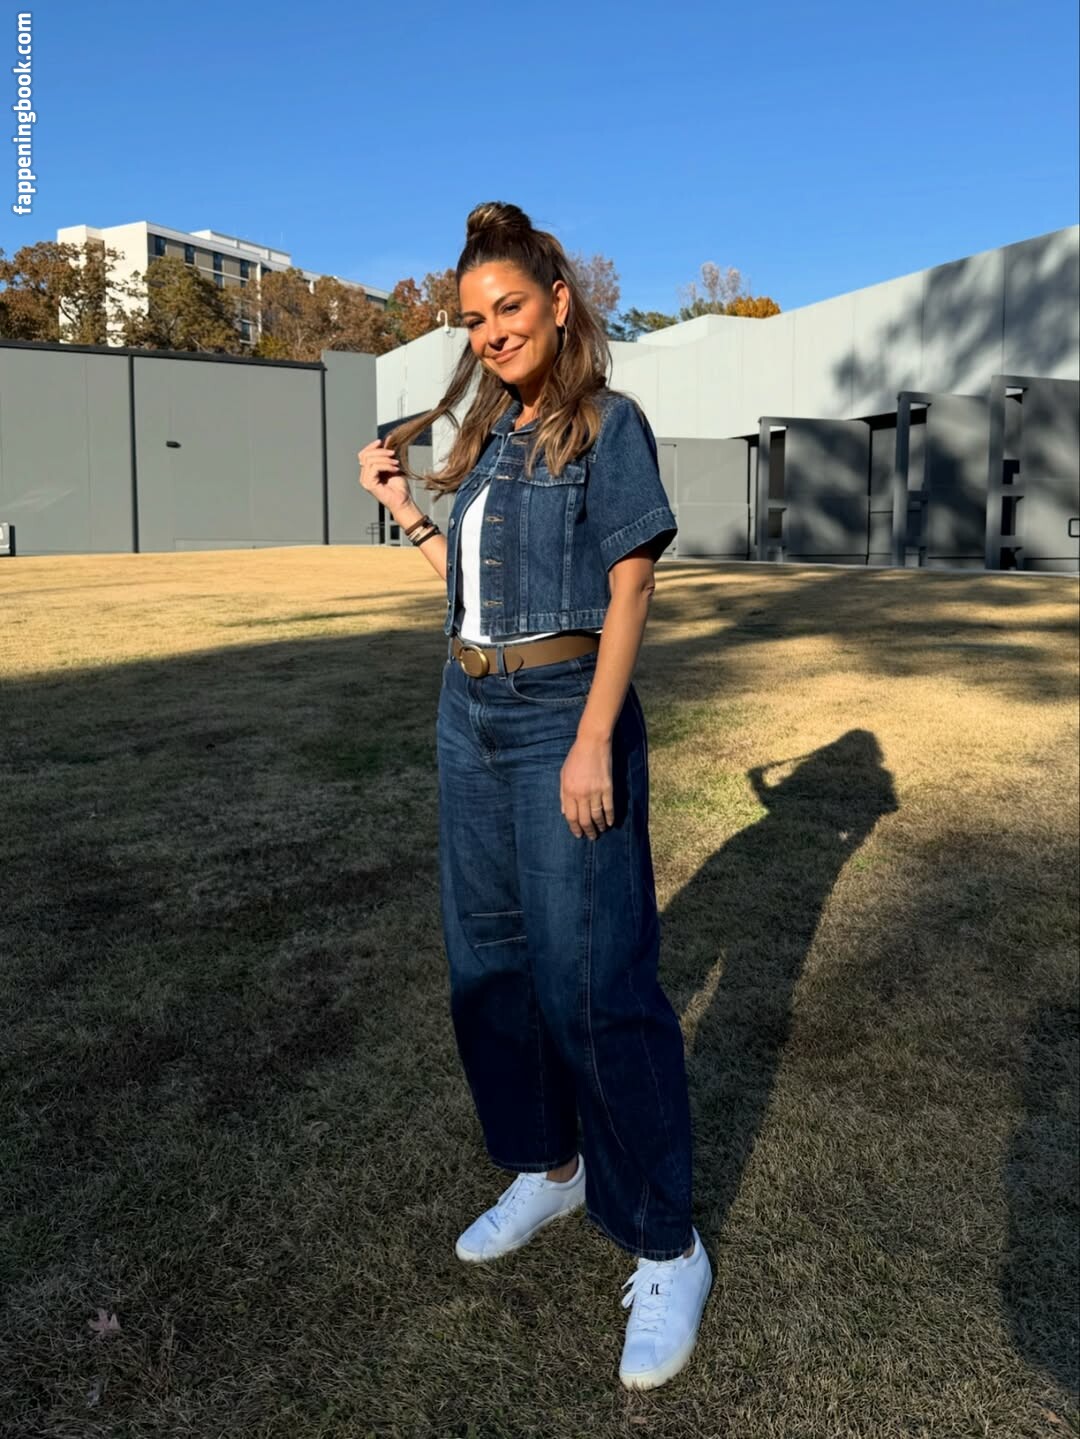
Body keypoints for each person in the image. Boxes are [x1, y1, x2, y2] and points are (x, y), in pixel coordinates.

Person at [358, 200, 710, 1392]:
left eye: (509, 306)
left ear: (559, 302)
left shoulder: (609, 424)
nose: (492, 330)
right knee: (491, 963)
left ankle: (666, 1240)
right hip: (468, 710)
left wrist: (594, 738)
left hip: (565, 709)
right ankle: (549, 1166)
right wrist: (407, 508)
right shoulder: (491, 439)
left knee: (593, 978)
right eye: (474, 319)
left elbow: (630, 586)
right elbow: (469, 588)